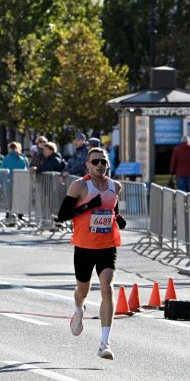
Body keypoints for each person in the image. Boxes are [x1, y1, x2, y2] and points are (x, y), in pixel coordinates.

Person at [56, 147, 126, 360]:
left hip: (107, 245)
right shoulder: (79, 185)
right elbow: (62, 215)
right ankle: (78, 309)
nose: (99, 165)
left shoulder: (116, 186)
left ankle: (104, 344)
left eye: (103, 162)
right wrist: (88, 205)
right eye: (95, 161)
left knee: (108, 288)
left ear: (108, 165)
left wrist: (119, 217)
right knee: (82, 290)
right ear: (87, 164)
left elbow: (112, 209)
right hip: (85, 246)